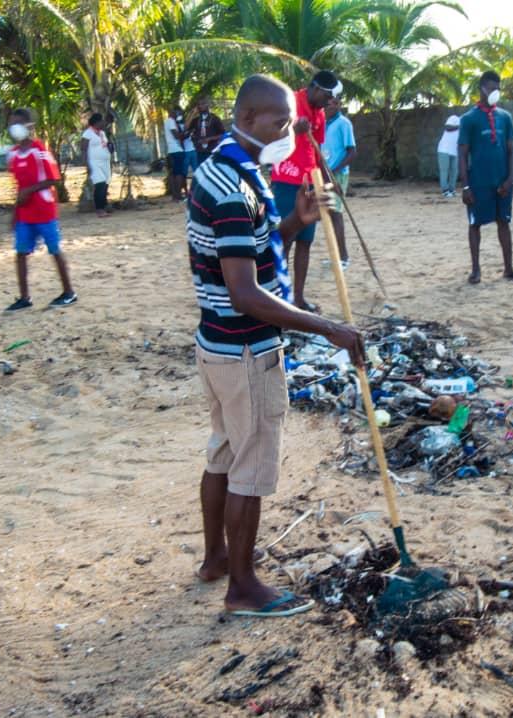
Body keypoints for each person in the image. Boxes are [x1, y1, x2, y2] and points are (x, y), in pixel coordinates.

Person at [188, 74, 365, 617]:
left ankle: (217, 556)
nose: (290, 132)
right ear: (248, 121)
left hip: (217, 343)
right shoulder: (231, 187)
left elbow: (258, 254)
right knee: (250, 465)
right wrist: (328, 328)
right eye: (282, 123)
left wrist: (296, 220)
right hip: (244, 349)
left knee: (224, 451)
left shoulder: (229, 170)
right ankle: (242, 587)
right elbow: (245, 293)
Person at [271, 70, 340, 312]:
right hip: (286, 178)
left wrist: (330, 177)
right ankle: (282, 297)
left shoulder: (319, 113)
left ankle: (298, 299)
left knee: (305, 241)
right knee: (285, 238)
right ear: (316, 89)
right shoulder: (289, 102)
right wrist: (293, 131)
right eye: (327, 96)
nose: (329, 102)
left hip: (311, 180)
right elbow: (273, 134)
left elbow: (316, 149)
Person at [4, 108, 77, 310]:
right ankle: (24, 297)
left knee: (55, 250)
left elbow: (54, 178)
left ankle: (69, 292)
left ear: (29, 126)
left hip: (44, 211)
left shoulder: (40, 150)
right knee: (20, 254)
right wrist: (14, 212)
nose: (14, 127)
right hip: (24, 214)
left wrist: (31, 190)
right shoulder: (13, 155)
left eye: (17, 123)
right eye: (11, 123)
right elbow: (18, 187)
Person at [458, 70, 513, 284]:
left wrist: (510, 179)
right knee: (475, 225)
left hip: (502, 182)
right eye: (492, 88)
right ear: (481, 89)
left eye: (498, 88)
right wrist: (465, 187)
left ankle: (509, 268)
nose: (495, 92)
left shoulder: (505, 117)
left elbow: (512, 150)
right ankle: (476, 270)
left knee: (504, 222)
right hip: (478, 182)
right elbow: (463, 154)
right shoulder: (468, 119)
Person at [321, 95, 356, 267]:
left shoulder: (344, 123)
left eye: (333, 103)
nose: (329, 106)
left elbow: (352, 152)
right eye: (327, 103)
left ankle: (343, 257)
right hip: (324, 174)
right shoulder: (323, 123)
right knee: (327, 215)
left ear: (338, 104)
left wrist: (333, 172)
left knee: (336, 214)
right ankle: (335, 256)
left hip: (337, 174)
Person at [81, 113, 112, 217]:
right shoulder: (87, 133)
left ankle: (104, 205)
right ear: (96, 122)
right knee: (100, 184)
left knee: (106, 183)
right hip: (94, 162)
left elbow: (105, 144)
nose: (103, 122)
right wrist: (86, 165)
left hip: (105, 162)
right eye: (101, 121)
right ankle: (99, 209)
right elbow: (83, 149)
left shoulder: (102, 133)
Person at [188, 97, 226, 164]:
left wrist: (210, 139)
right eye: (199, 104)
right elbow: (186, 128)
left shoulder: (215, 118)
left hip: (212, 151)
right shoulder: (196, 120)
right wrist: (193, 114)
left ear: (208, 105)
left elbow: (223, 134)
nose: (200, 106)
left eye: (203, 104)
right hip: (200, 152)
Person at [164, 105, 188, 201]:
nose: (180, 115)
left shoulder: (167, 122)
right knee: (178, 173)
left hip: (171, 150)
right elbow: (176, 136)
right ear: (174, 112)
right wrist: (186, 133)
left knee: (173, 173)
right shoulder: (171, 121)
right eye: (179, 113)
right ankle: (178, 195)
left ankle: (175, 196)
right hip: (177, 150)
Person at [437, 115, 460, 198]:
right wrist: (459, 127)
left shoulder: (462, 129)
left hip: (455, 151)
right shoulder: (453, 124)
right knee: (444, 171)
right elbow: (448, 127)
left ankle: (452, 190)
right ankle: (445, 191)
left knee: (454, 171)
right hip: (443, 150)